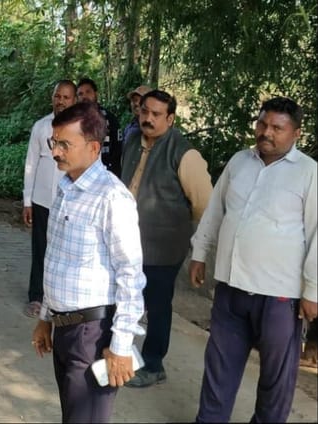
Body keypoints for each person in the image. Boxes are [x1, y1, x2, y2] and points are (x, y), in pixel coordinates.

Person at [189, 97, 317, 422]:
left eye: (277, 127)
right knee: (219, 369)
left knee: (276, 381)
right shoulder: (239, 161)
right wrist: (200, 253)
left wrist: (313, 291)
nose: (266, 132)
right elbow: (215, 210)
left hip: (279, 297)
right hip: (231, 288)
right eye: (262, 124)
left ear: (296, 133)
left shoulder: (309, 173)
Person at [31, 102, 146, 423]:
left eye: (65, 144)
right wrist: (45, 318)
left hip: (94, 336)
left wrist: (120, 346)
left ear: (94, 148)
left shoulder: (112, 198)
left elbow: (131, 275)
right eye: (54, 142)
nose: (55, 152)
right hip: (65, 330)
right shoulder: (65, 189)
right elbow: (55, 260)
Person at [120, 89, 212, 387]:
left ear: (170, 119)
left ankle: (153, 364)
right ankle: (118, 355)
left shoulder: (184, 153)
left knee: (157, 306)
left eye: (156, 114)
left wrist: (180, 231)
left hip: (163, 247)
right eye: (144, 111)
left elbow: (204, 204)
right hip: (125, 242)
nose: (148, 118)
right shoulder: (132, 141)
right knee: (121, 299)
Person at [21, 80, 76, 318]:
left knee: (66, 250)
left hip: (70, 202)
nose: (60, 101)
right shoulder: (41, 127)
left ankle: (61, 300)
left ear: (74, 100)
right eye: (57, 96)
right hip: (42, 199)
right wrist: (27, 201)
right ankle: (36, 297)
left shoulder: (81, 129)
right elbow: (31, 163)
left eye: (66, 97)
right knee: (40, 248)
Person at [76, 78, 122, 177]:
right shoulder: (74, 121)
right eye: (80, 94)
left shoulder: (109, 119)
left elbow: (117, 152)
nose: (84, 96)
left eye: (88, 92)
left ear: (96, 94)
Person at [121, 85, 152, 150]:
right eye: (134, 100)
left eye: (141, 100)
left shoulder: (156, 127)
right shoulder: (129, 127)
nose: (137, 103)